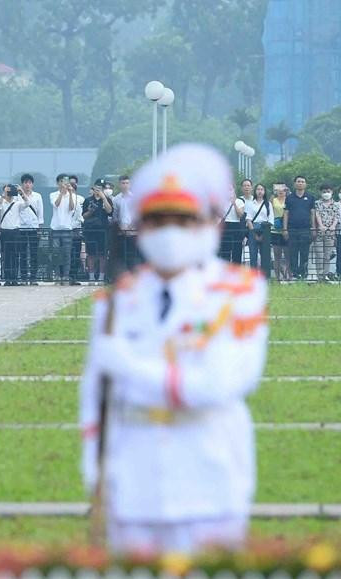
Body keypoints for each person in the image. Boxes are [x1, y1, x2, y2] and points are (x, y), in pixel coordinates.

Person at [80, 143, 267, 555]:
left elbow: (218, 385)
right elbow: (95, 396)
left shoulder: (239, 292)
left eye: (184, 221)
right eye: (157, 220)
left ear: (211, 226)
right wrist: (94, 467)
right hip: (133, 476)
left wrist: (131, 368)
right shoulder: (118, 299)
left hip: (209, 472)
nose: (169, 232)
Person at [282, 175, 315, 281]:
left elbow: (312, 213)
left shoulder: (310, 197)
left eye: (302, 181)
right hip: (292, 229)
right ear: (295, 184)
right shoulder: (289, 198)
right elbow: (286, 213)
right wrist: (285, 229)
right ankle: (295, 274)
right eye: (298, 181)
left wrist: (313, 228)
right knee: (293, 252)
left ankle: (303, 273)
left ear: (305, 184)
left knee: (305, 252)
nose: (300, 183)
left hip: (305, 229)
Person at [82, 180, 114, 281]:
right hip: (91, 230)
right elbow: (84, 216)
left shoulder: (107, 199)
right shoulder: (88, 200)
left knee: (102, 254)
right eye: (97, 188)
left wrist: (104, 198)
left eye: (100, 188)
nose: (98, 191)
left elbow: (109, 211)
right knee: (91, 254)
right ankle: (91, 277)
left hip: (103, 230)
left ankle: (101, 277)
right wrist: (90, 211)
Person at [0, 183, 23, 285]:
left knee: (15, 256)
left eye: (10, 191)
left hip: (15, 232)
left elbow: (27, 204)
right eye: (8, 191)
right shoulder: (2, 203)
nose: (10, 193)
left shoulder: (17, 203)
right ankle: (7, 278)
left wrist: (21, 192)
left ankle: (14, 278)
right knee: (6, 256)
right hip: (5, 232)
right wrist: (3, 194)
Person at [49, 174, 77, 283]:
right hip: (55, 228)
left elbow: (72, 208)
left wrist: (70, 193)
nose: (63, 183)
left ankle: (65, 275)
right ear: (58, 183)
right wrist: (61, 192)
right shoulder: (53, 194)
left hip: (67, 228)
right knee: (55, 253)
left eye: (65, 181)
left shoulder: (72, 195)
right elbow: (56, 204)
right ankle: (57, 275)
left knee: (66, 253)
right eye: (61, 181)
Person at [18, 173, 44, 283]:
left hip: (34, 227)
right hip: (21, 228)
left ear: (32, 184)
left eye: (29, 182)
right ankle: (23, 277)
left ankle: (33, 277)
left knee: (34, 253)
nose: (27, 185)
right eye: (25, 182)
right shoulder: (17, 196)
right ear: (22, 184)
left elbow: (40, 213)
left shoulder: (37, 196)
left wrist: (39, 227)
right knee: (22, 253)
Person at [245, 183, 273, 276]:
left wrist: (264, 234)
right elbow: (248, 219)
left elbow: (270, 219)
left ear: (264, 191)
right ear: (255, 191)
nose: (260, 191)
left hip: (265, 228)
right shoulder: (250, 204)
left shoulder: (268, 204)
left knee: (265, 254)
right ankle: (253, 276)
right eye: (258, 189)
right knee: (253, 254)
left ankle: (265, 276)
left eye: (262, 189)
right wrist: (253, 233)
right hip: (253, 227)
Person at [313, 185, 339, 281]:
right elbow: (317, 214)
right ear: (321, 193)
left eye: (328, 191)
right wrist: (320, 225)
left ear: (332, 192)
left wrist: (333, 226)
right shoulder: (317, 203)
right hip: (320, 232)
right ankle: (319, 276)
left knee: (327, 255)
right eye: (324, 191)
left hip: (330, 233)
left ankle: (325, 275)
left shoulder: (335, 204)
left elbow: (337, 216)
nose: (326, 193)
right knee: (319, 254)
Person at [218, 185, 246, 264]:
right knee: (225, 251)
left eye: (230, 189)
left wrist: (234, 203)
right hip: (225, 226)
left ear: (234, 190)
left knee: (237, 250)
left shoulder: (239, 201)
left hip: (236, 225)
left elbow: (240, 215)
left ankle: (236, 271)